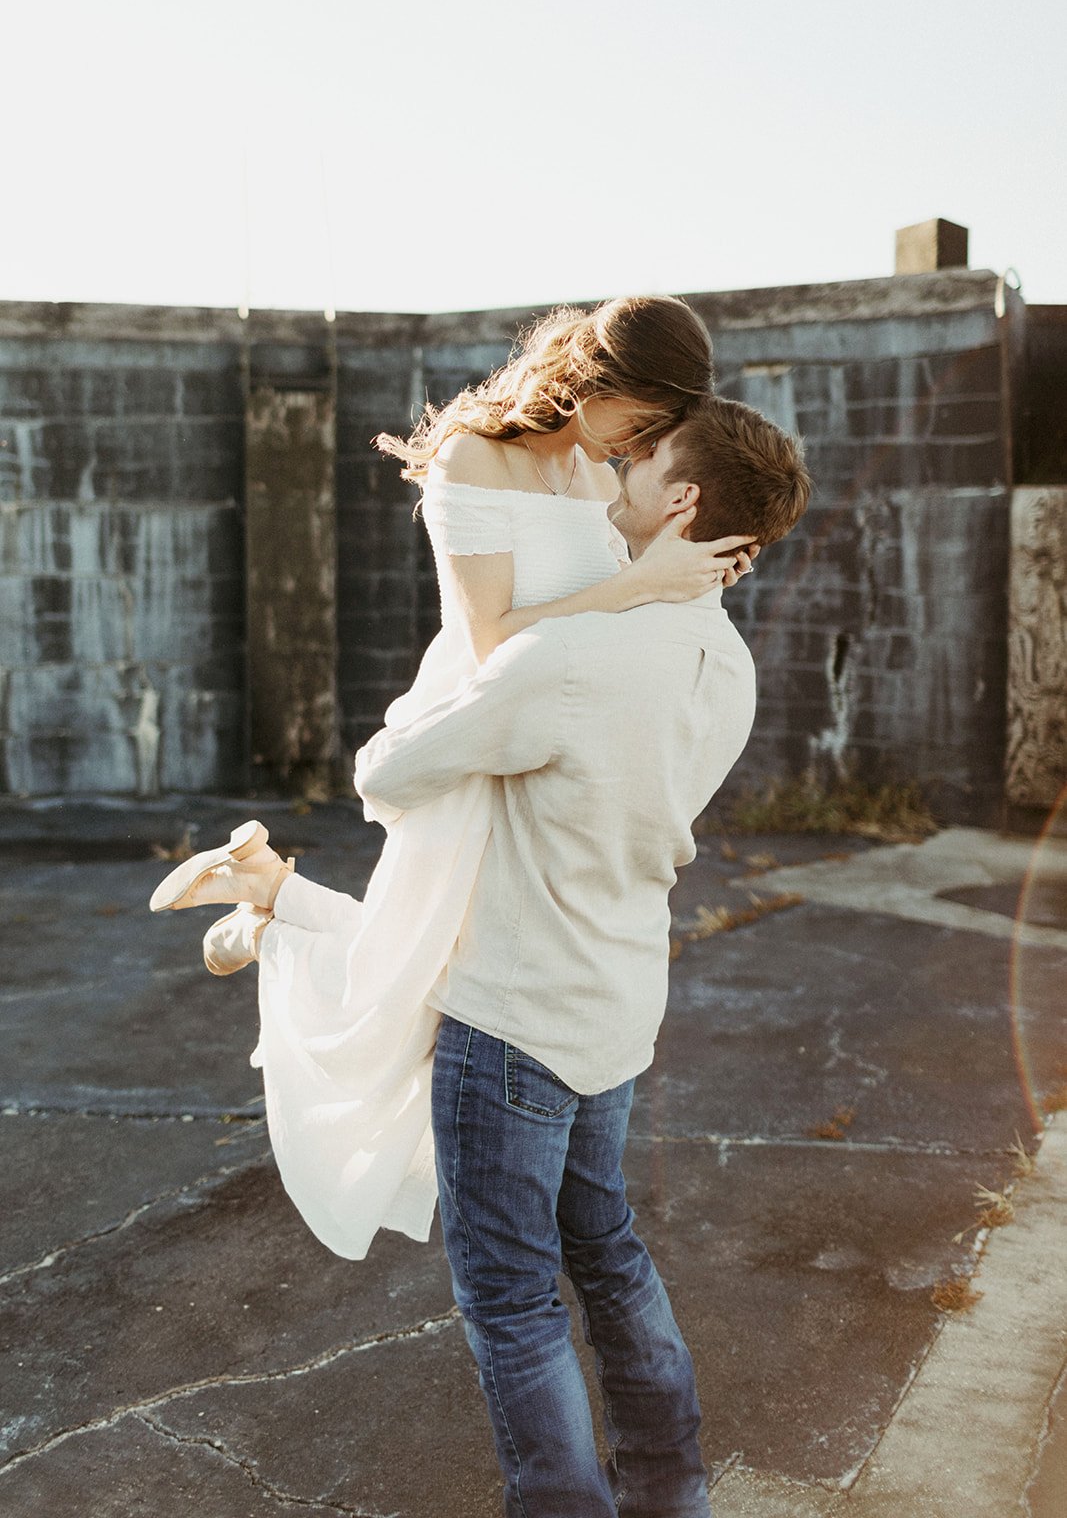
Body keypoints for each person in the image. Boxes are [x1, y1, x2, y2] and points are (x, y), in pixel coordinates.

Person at [151, 392, 811, 1515]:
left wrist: (511, 641)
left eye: (642, 463)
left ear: (683, 501)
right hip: (613, 1004)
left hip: (510, 1021)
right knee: (605, 1253)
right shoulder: (726, 661)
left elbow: (384, 774)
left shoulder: (566, 657)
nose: (616, 479)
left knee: (510, 1299)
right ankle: (670, 1491)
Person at [149, 296, 757, 1260]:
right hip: (494, 715)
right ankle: (269, 918)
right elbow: (490, 643)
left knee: (447, 962)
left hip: (552, 731)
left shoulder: (599, 465)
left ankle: (270, 896)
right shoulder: (472, 459)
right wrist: (637, 586)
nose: (640, 444)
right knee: (424, 971)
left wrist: (686, 581)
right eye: (639, 417)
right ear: (594, 381)